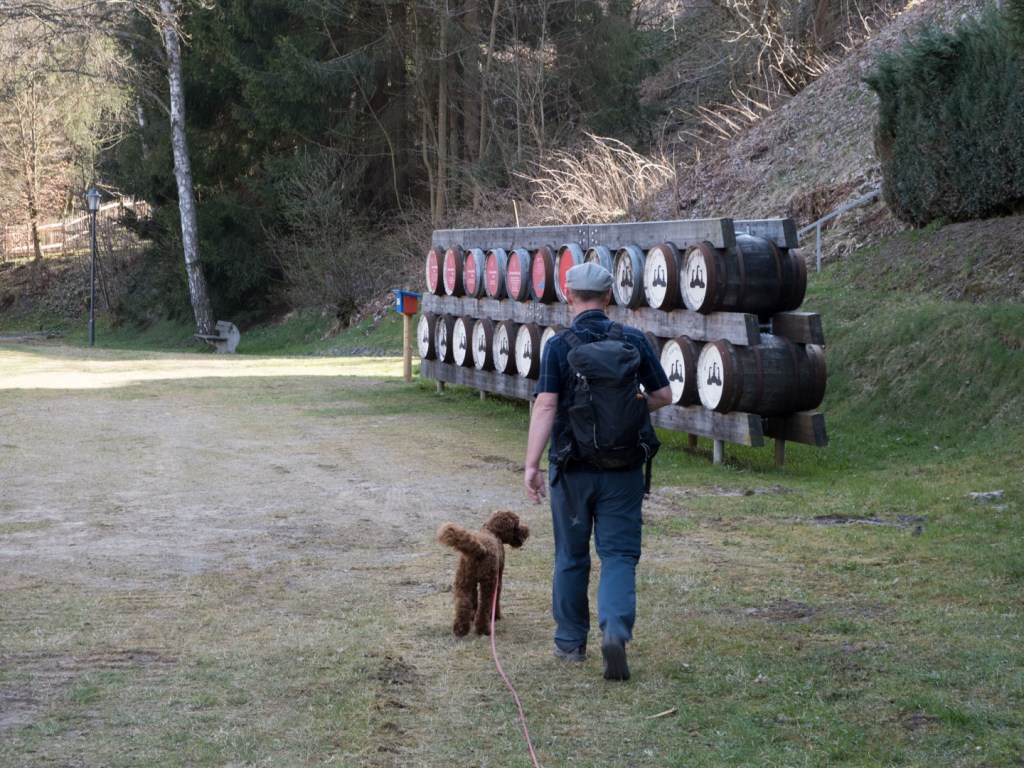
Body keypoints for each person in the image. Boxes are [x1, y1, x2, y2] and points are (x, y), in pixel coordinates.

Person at [524, 261, 672, 681]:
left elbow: (546, 405)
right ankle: (615, 631)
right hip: (623, 469)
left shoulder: (558, 345)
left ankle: (570, 642)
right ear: (609, 296)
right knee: (619, 554)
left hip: (571, 469)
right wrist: (631, 407)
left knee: (571, 555)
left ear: (568, 295)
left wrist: (532, 464)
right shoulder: (634, 339)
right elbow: (663, 394)